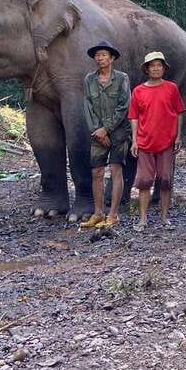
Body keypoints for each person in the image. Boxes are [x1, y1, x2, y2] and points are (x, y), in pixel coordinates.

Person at [128, 52, 186, 231]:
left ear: (164, 68)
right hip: (145, 142)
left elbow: (179, 112)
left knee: (166, 180)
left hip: (167, 141)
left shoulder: (171, 88)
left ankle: (165, 218)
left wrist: (178, 136)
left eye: (159, 65)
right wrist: (135, 140)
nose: (155, 68)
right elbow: (134, 117)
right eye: (152, 66)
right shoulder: (138, 91)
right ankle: (143, 219)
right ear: (147, 69)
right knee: (144, 181)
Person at [79, 41, 131, 230]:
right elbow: (88, 106)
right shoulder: (89, 79)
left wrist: (107, 129)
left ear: (112, 58)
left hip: (119, 131)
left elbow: (124, 106)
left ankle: (113, 215)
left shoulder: (122, 78)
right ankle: (98, 213)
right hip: (97, 133)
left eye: (103, 55)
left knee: (116, 170)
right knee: (97, 172)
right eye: (97, 55)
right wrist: (98, 131)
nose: (99, 58)